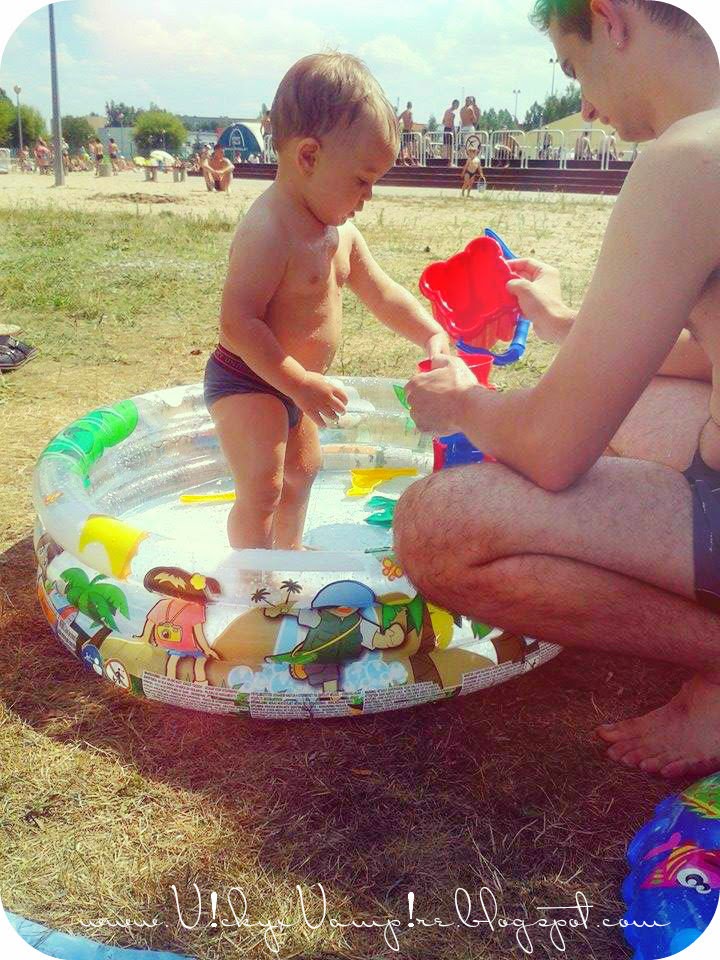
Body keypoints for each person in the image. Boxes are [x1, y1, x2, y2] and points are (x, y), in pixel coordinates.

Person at [393, 0, 720, 780]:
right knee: (621, 402)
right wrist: (571, 325)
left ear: (610, 19)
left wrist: (459, 402)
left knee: (434, 528)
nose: (585, 104)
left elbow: (552, 451)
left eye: (574, 69)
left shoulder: (686, 160)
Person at [204, 52, 449, 550]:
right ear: (309, 157)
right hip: (248, 378)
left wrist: (430, 333)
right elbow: (238, 322)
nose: (369, 196)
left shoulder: (341, 234)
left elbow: (383, 294)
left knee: (304, 472)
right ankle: (251, 576)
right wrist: (298, 382)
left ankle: (287, 557)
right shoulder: (269, 229)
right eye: (362, 179)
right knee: (265, 486)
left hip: (299, 388)